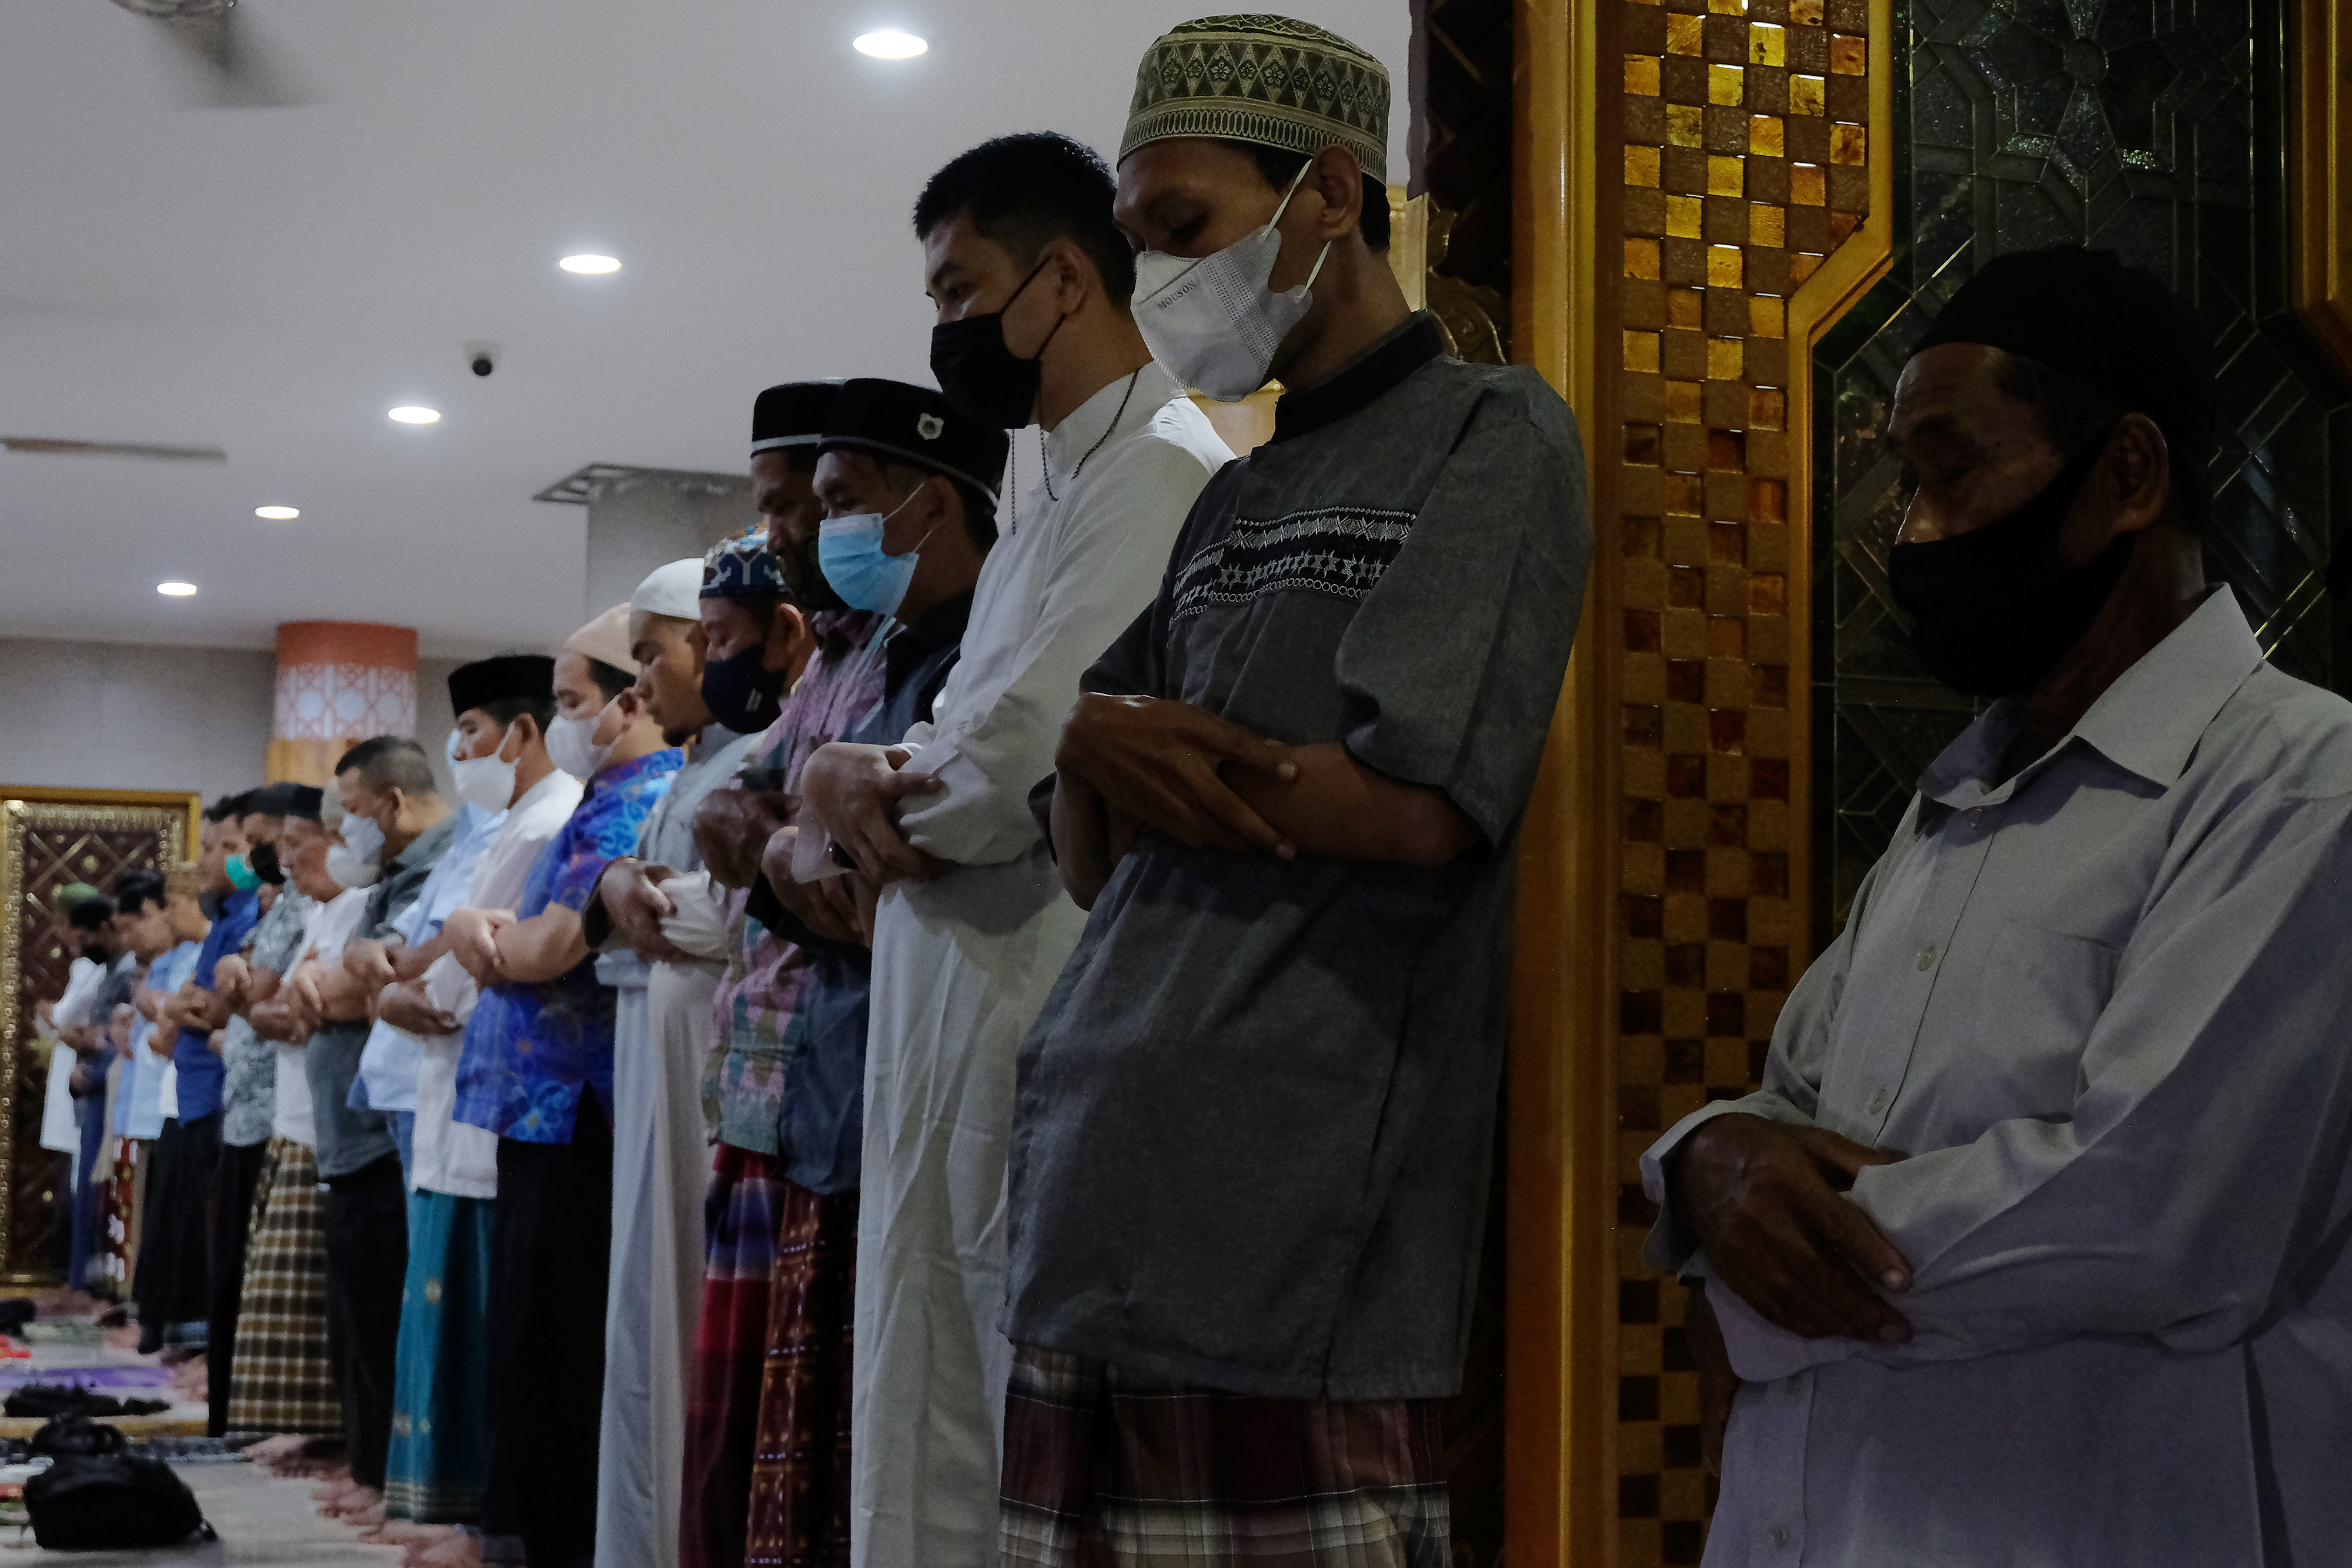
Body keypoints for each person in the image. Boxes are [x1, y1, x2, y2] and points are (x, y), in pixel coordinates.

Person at [1640, 246, 2352, 1567]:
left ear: (2127, 475)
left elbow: (2146, 1215)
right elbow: (1788, 1107)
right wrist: (1706, 1160)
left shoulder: (2298, 783)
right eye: (1905, 485)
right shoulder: (1957, 801)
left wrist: (1760, 1265)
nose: (1912, 533)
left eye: (1951, 469)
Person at [996, 18, 1594, 1564]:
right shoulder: (1235, 493)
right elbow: (1093, 842)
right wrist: (1098, 744)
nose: (1157, 279)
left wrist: (1138, 745)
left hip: (1287, 1221)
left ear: (1329, 193)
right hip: (1094, 1195)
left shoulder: (1492, 433)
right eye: (1138, 242)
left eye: (1184, 227)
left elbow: (1421, 800)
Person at [794, 129, 1233, 1563]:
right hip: (953, 1001)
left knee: (999, 1421)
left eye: (957, 291)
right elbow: (954, 748)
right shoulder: (1051, 497)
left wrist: (859, 789)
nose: (944, 330)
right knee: (926, 1381)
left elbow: (1015, 765)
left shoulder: (1160, 471)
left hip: (1040, 997)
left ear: (1060, 280)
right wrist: (868, 781)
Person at [739, 380, 1009, 1566]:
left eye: (841, 499)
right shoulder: (890, 654)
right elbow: (799, 851)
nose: (816, 528)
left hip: (924, 1088)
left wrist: (794, 844)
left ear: (929, 505)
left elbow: (883, 871)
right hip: (841, 1090)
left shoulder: (987, 651)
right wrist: (792, 842)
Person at [680, 380, 894, 1568]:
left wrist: (764, 840)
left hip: (831, 1084)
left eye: (801, 503)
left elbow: (842, 879)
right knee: (744, 1439)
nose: (779, 532)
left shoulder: (917, 654)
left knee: (809, 1447)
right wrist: (767, 836)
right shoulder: (831, 669)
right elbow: (730, 811)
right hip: (764, 1091)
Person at [447, 607, 681, 1568]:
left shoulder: (639, 796)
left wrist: (477, 932)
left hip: (580, 1105)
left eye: (573, 701)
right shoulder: (604, 791)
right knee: (531, 1339)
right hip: (546, 1105)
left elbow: (550, 943)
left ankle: (558, 1544)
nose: (562, 723)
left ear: (631, 698)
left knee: (557, 1346)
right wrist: (486, 929)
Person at [583, 559, 765, 1568]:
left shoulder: (763, 754)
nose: (642, 682)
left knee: (692, 1319)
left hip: (712, 1061)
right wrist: (619, 879)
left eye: (656, 653)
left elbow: (713, 912)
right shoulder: (685, 768)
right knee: (645, 1323)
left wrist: (636, 893)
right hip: (649, 1050)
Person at [377, 655, 579, 1547]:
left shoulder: (550, 819)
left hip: (501, 1101)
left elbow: (470, 968)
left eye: (469, 731)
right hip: (457, 1097)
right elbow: (427, 956)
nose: (457, 751)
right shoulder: (506, 824)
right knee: (453, 1320)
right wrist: (409, 981)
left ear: (524, 731)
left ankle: (486, 1526)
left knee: (493, 1330)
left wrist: (411, 986)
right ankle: (463, 1517)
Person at [285, 737, 455, 1515]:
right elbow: (336, 981)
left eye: (348, 813)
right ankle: (373, 1471)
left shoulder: (444, 859)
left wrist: (346, 980)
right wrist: (341, 977)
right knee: (363, 1308)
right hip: (368, 1116)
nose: (340, 832)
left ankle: (393, 1480)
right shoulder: (390, 877)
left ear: (392, 801)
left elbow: (374, 983)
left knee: (393, 1307)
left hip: (398, 1126)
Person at [230, 786, 353, 1443]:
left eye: (294, 842)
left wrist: (274, 1006)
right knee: (283, 1285)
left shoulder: (355, 903)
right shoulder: (319, 911)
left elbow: (288, 1007)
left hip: (329, 1122)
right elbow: (276, 1006)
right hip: (292, 1116)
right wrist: (275, 1007)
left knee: (311, 1288)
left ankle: (326, 1440)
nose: (283, 858)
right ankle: (300, 1430)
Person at [207, 782, 311, 1435]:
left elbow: (257, 994)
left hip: (278, 1109)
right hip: (246, 1109)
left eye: (260, 842)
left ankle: (247, 1420)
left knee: (258, 1279)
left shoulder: (303, 904)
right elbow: (231, 996)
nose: (251, 858)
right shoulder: (275, 907)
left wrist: (240, 984)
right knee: (235, 1273)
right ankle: (229, 1412)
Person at [127, 847, 222, 1353]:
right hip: (177, 1097)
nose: (168, 914)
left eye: (174, 903)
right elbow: (164, 1027)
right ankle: (161, 1325)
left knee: (192, 1224)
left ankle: (189, 1334)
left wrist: (167, 1012)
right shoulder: (179, 958)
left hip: (203, 1097)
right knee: (168, 1220)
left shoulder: (214, 947)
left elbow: (171, 1026)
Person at [48, 885, 121, 1293]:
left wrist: (87, 1041)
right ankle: (80, 1281)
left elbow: (107, 1034)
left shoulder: (124, 970)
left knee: (98, 1191)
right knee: (85, 1185)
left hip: (109, 1091)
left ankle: (90, 1285)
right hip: (93, 1090)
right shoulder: (109, 968)